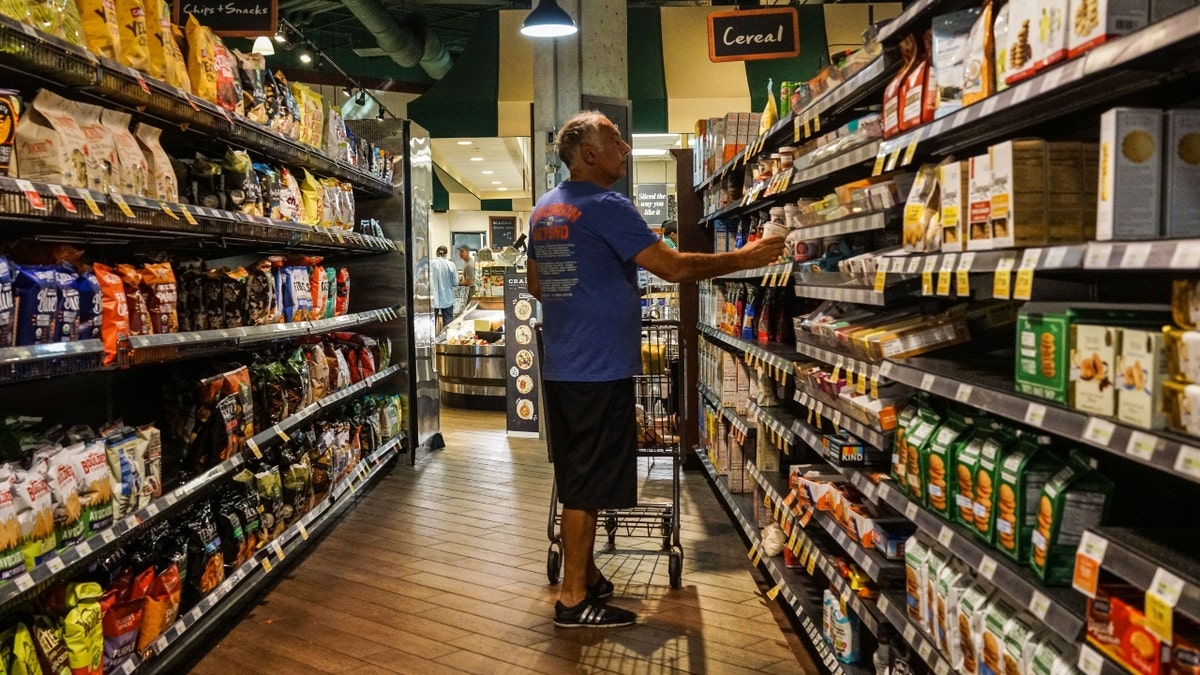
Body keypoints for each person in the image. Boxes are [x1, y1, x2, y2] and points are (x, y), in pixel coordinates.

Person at [527, 111, 785, 629]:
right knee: (586, 484)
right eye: (615, 139)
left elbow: (536, 284)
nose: (624, 146)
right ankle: (574, 599)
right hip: (598, 368)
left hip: (563, 365)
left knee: (577, 474)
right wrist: (747, 256)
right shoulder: (607, 205)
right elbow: (674, 268)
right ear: (589, 154)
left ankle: (588, 573)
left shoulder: (546, 208)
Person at [429, 245, 459, 330]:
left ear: (436, 253)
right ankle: (445, 341)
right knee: (448, 325)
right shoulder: (451, 265)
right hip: (447, 299)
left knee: (430, 326)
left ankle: (431, 342)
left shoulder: (429, 264)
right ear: (446, 254)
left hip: (432, 300)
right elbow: (455, 283)